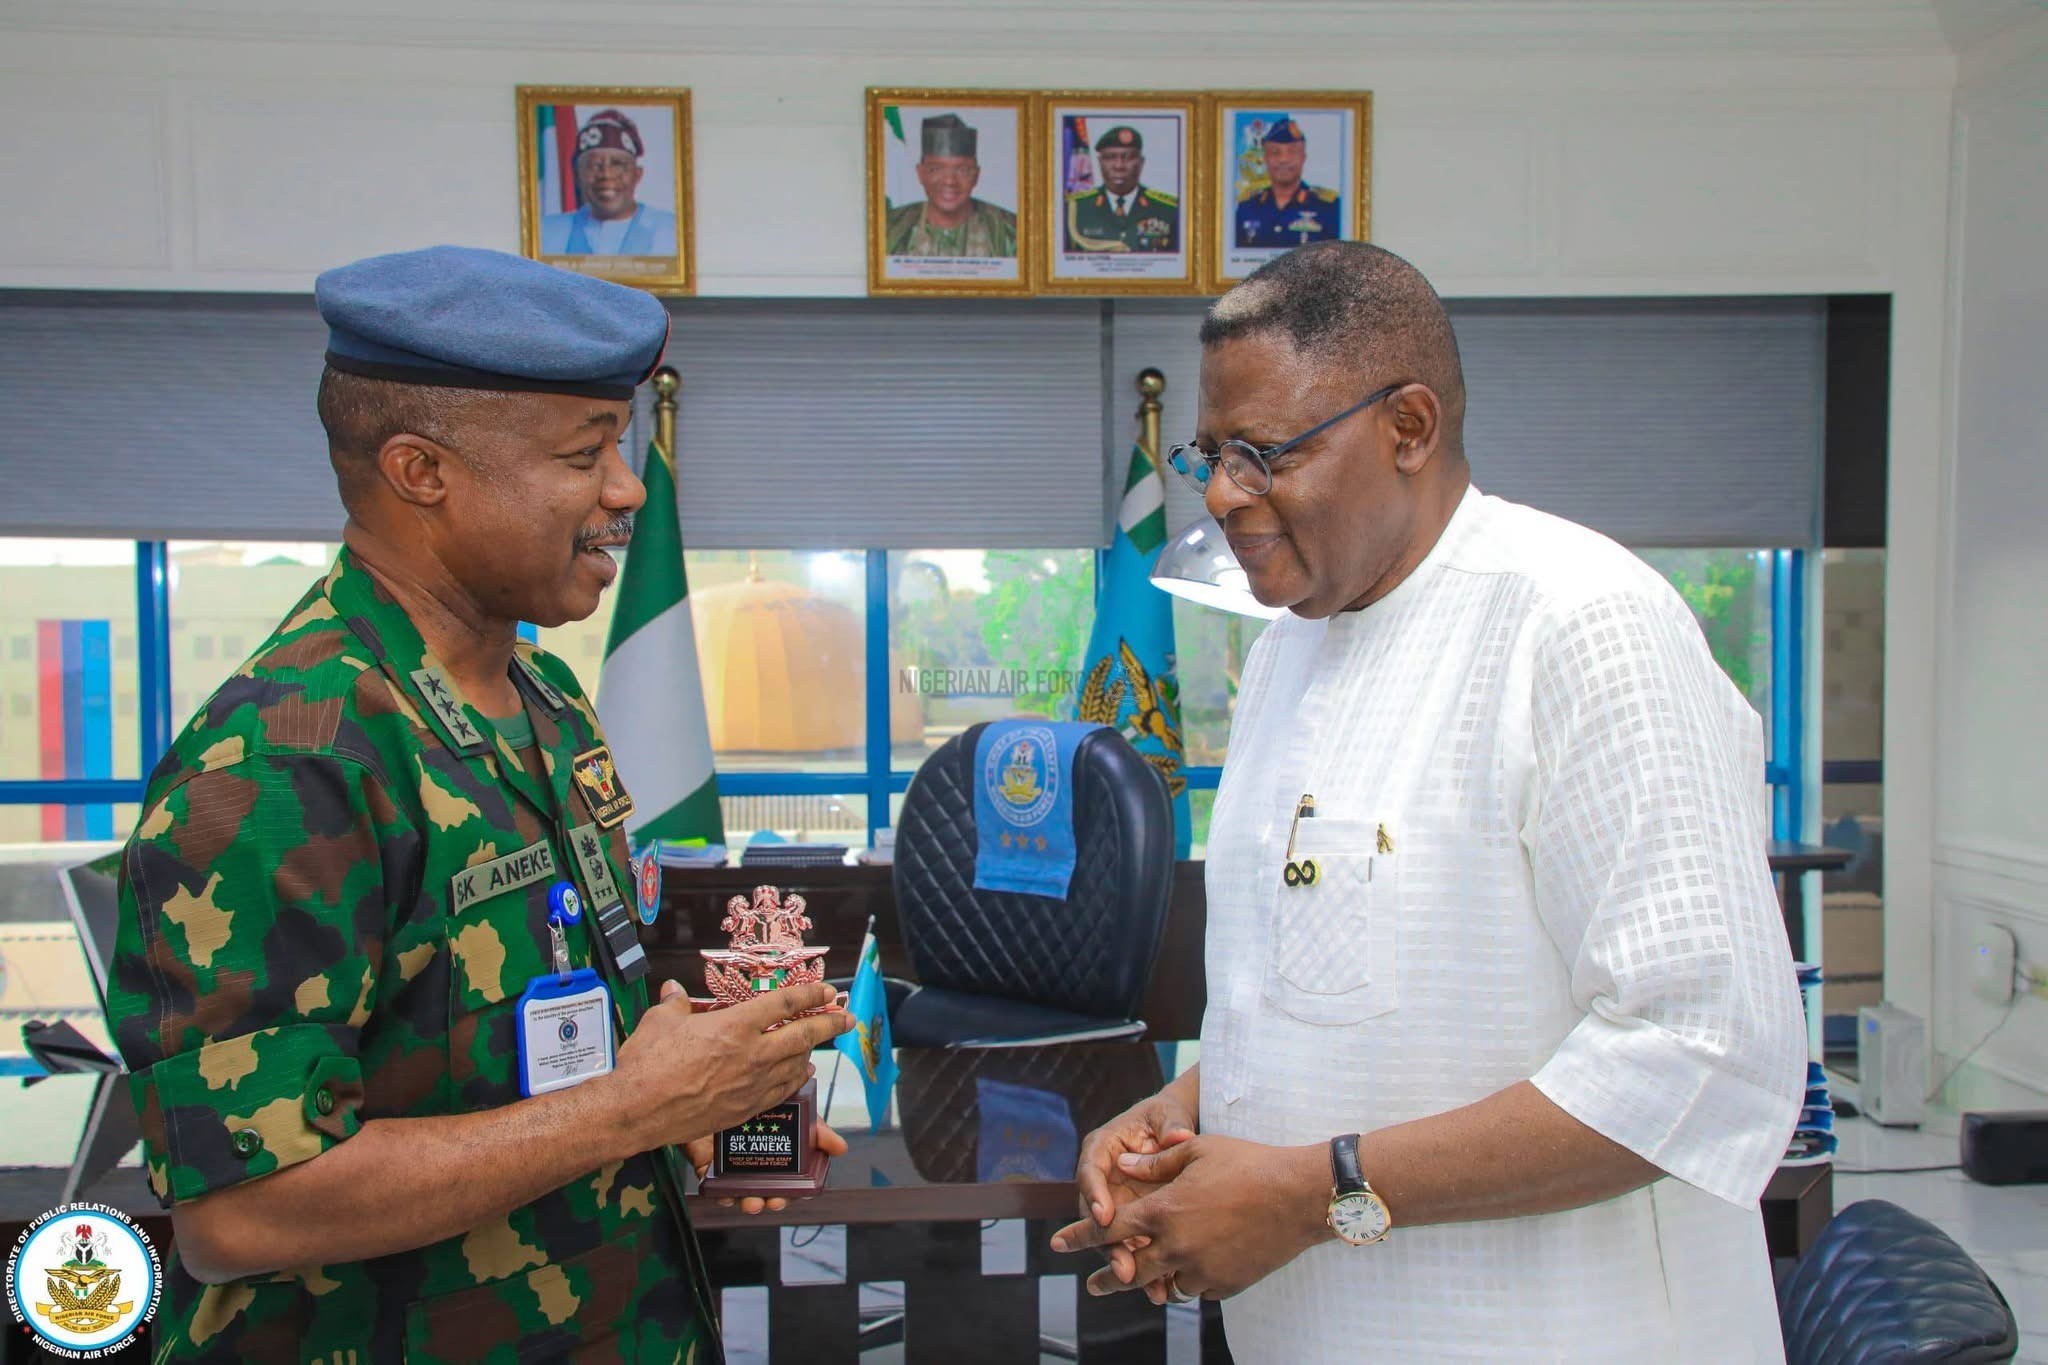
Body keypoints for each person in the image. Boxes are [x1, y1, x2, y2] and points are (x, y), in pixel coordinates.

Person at [1051, 240, 1805, 1361]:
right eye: (1208, 454)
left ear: (1408, 427)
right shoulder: (1288, 648)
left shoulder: (1582, 625)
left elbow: (1699, 1055)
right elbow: (1342, 1000)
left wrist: (1306, 1196)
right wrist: (1195, 1105)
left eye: (1263, 454)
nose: (1218, 494)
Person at [108, 244, 852, 1362]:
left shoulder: (543, 698)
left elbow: (535, 1036)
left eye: (620, 446)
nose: (626, 490)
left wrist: (696, 1096)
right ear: (422, 471)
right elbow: (240, 1215)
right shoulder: (286, 759)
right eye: (584, 453)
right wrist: (634, 1110)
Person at [540, 108, 679, 256]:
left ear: (637, 175)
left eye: (617, 164)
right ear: (577, 175)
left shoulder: (672, 231)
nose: (606, 174)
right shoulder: (546, 232)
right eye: (594, 165)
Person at [884, 113, 1018, 258]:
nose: (949, 181)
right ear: (920, 173)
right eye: (936, 169)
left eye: (962, 170)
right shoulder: (888, 229)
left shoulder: (1012, 232)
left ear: (976, 175)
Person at [1065, 125, 1180, 253]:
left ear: (1141, 162)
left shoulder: (1169, 209)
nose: (1119, 166)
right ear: (1100, 162)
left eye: (1128, 157)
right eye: (1110, 157)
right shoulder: (1075, 208)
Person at [1234, 119, 1341, 249]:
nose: (1283, 159)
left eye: (1292, 152)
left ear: (1303, 157)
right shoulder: (1247, 208)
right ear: (1265, 158)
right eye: (1275, 152)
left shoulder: (1329, 208)